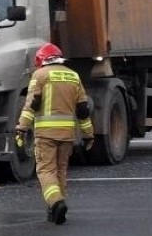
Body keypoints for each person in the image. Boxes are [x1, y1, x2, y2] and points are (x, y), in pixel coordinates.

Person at [16, 42, 94, 225]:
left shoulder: (40, 75)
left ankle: (56, 202)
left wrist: (21, 127)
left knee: (45, 170)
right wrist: (89, 134)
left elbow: (31, 105)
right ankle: (56, 208)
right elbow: (83, 110)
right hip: (67, 135)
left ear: (41, 60)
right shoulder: (74, 76)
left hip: (45, 134)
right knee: (60, 171)